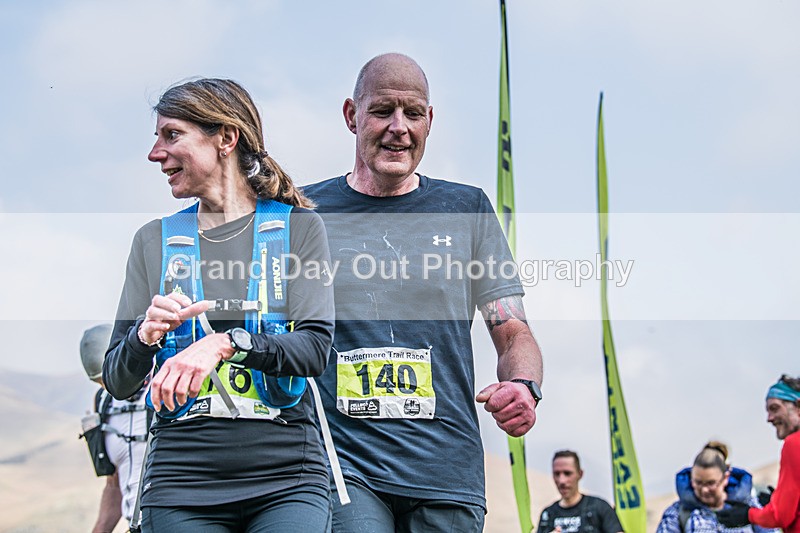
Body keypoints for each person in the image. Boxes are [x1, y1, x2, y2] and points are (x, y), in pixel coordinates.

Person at [303, 53, 543, 532]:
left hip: (446, 471)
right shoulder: (303, 212)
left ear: (429, 121)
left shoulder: (466, 207)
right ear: (352, 115)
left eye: (413, 113)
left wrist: (524, 386)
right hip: (343, 465)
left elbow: (512, 329)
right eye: (382, 111)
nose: (399, 127)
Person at [103, 78, 335, 532]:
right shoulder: (154, 241)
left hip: (287, 477)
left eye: (172, 135)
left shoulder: (300, 230)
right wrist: (143, 337)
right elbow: (117, 378)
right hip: (180, 480)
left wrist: (228, 343)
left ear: (226, 138)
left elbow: (314, 349)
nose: (155, 153)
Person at [80, 323, 149, 533]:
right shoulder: (103, 404)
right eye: (102, 384)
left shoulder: (166, 390)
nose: (111, 390)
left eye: (112, 380)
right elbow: (114, 484)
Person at [717, 375, 800, 532]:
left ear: (798, 406)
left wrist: (747, 515)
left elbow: (781, 516)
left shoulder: (794, 444)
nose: (769, 418)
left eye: (775, 408)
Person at [656, 441, 776, 532]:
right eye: (697, 482)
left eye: (710, 483)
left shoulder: (750, 508)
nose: (704, 490)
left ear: (725, 477)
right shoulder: (676, 514)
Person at [536, 450, 623, 533]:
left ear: (580, 474)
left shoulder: (599, 507)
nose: (562, 480)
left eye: (567, 473)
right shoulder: (547, 515)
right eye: (557, 474)